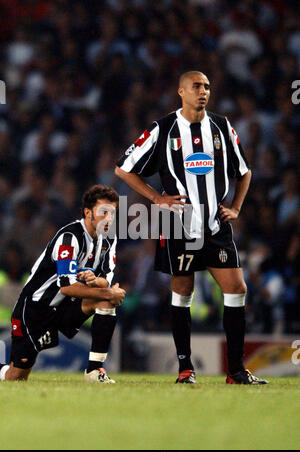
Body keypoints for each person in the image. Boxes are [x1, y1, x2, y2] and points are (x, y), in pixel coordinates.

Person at [115, 70, 268, 385]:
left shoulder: (222, 127)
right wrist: (157, 198)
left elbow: (245, 171)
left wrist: (236, 208)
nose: (204, 91)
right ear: (181, 91)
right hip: (178, 224)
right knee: (183, 291)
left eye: (208, 87)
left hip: (215, 224)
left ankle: (236, 370)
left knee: (237, 289)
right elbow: (124, 168)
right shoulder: (163, 129)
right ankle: (185, 368)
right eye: (197, 86)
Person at [0, 184, 126, 382]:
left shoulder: (109, 240)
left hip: (64, 307)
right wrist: (109, 292)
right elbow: (66, 286)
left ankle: (94, 371)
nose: (108, 218)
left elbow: (105, 279)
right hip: (35, 309)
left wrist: (97, 282)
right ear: (88, 212)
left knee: (106, 302)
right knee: (16, 376)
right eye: (103, 212)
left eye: (112, 213)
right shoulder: (69, 237)